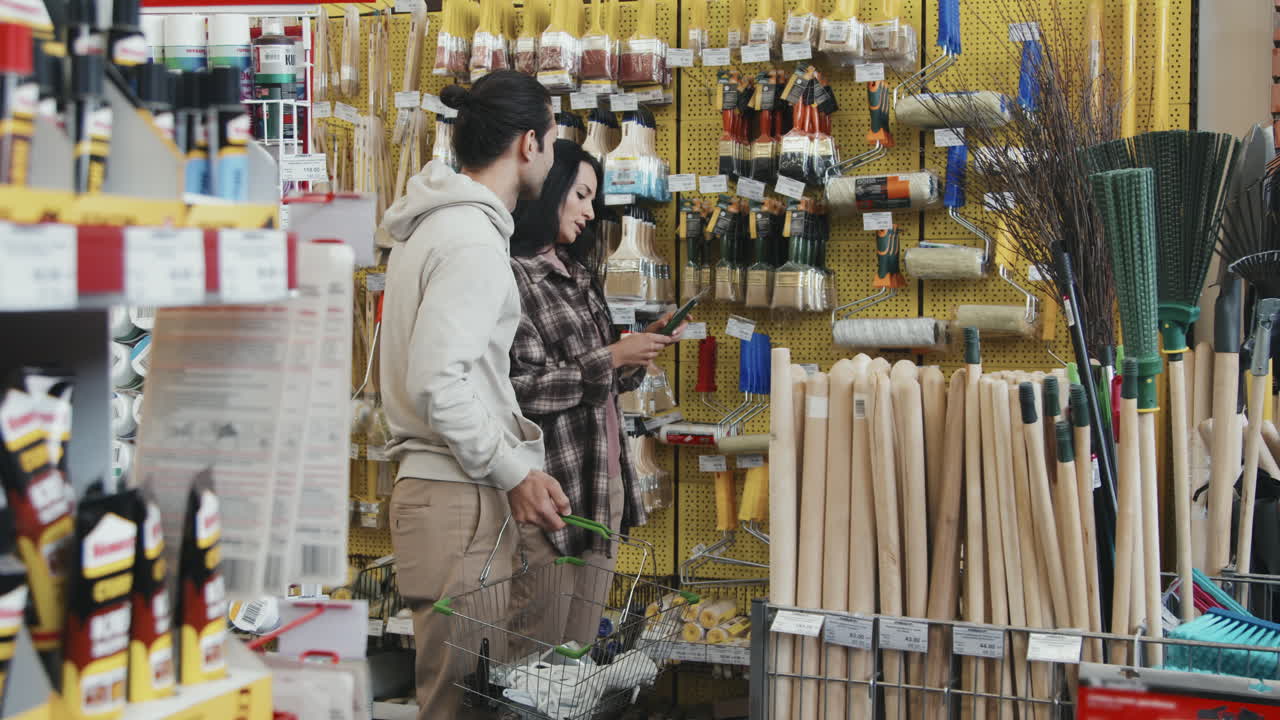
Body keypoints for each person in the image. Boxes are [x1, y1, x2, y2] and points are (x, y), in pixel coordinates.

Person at [378, 71, 565, 718]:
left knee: (468, 698)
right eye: (551, 141)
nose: (552, 156)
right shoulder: (470, 241)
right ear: (527, 144)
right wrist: (513, 470)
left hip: (453, 494)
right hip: (456, 498)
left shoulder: (441, 227)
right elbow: (439, 380)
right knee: (460, 705)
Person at [507, 140, 685, 646]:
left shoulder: (579, 274)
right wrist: (611, 357)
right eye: (581, 196)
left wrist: (640, 349)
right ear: (550, 190)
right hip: (552, 487)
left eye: (593, 199)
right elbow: (521, 390)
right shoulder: (514, 276)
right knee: (538, 648)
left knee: (580, 647)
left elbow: (608, 381)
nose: (590, 212)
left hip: (603, 477)